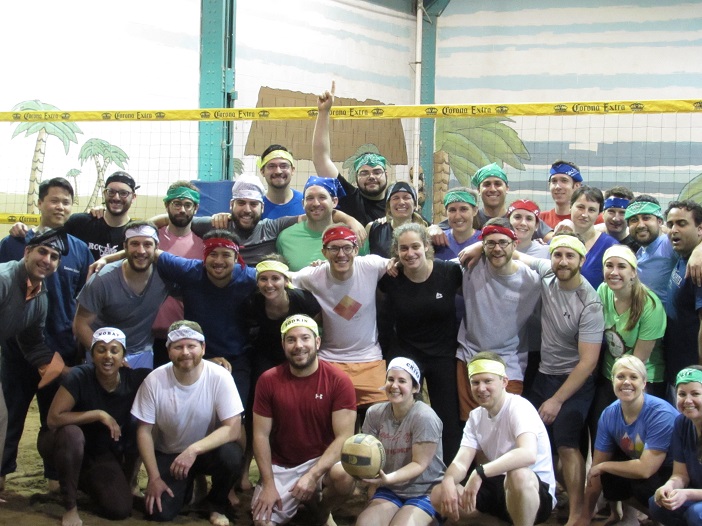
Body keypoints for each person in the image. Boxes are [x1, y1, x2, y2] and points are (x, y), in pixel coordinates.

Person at [0, 177, 93, 490]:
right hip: (12, 353)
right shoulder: (13, 244)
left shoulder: (78, 251)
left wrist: (74, 358)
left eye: (66, 201)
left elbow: (84, 302)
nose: (60, 206)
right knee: (8, 417)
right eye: (54, 200)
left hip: (56, 349)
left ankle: (55, 479)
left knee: (54, 418)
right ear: (40, 203)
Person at [511, 233, 605, 525]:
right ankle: (549, 499)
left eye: (570, 256)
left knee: (566, 443)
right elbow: (515, 254)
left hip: (574, 382)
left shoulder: (589, 303)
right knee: (535, 441)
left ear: (582, 260)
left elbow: (588, 362)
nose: (562, 262)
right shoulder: (547, 273)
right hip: (544, 375)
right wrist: (478, 246)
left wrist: (557, 399)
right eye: (558, 255)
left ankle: (578, 512)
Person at [132, 320, 244, 525]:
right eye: (178, 347)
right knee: (160, 513)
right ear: (168, 350)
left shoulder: (220, 377)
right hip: (170, 454)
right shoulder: (154, 380)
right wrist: (154, 477)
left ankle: (216, 504)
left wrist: (193, 450)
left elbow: (233, 428)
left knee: (232, 455)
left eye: (191, 346)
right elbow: (144, 431)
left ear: (203, 348)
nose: (185, 352)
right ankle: (191, 486)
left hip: (205, 452)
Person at [251, 315, 356, 526]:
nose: (299, 345)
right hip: (283, 466)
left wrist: (312, 475)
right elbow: (260, 435)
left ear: (317, 342)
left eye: (305, 338)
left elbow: (345, 436)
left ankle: (322, 512)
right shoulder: (268, 380)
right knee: (262, 522)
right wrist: (269, 484)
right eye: (291, 340)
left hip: (322, 462)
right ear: (283, 345)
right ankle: (301, 501)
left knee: (344, 475)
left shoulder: (339, 380)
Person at [39, 327, 149, 526]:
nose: (108, 356)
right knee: (72, 435)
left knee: (119, 509)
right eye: (101, 350)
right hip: (60, 442)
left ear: (124, 355)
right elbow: (53, 419)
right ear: (92, 354)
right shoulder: (80, 376)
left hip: (98, 453)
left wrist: (206, 362)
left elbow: (172, 370)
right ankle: (70, 506)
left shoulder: (134, 379)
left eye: (114, 350)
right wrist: (97, 414)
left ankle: (92, 481)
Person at [430, 352, 556, 526]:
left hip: (533, 488)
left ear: (504, 382)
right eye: (475, 382)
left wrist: (480, 472)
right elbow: (461, 462)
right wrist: (449, 480)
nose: (481, 388)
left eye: (488, 381)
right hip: (497, 484)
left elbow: (528, 454)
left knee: (517, 474)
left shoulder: (519, 407)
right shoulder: (475, 417)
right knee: (439, 494)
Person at [378, 223, 463, 463]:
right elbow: (383, 317)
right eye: (403, 249)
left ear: (426, 246)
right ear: (397, 252)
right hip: (406, 352)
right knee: (402, 412)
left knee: (447, 415)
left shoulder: (448, 272)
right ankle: (401, 468)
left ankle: (451, 474)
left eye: (415, 246)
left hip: (442, 353)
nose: (410, 253)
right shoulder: (392, 278)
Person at [0, 229, 69, 495]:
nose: (47, 260)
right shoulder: (5, 279)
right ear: (27, 252)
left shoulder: (39, 296)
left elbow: (31, 342)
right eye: (42, 251)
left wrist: (57, 368)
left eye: (54, 256)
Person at [292, 226, 388, 407]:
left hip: (369, 359)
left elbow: (402, 263)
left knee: (381, 418)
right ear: (324, 252)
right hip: (329, 359)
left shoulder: (370, 265)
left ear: (356, 250)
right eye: (334, 248)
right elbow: (281, 278)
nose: (341, 254)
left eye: (347, 248)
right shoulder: (313, 275)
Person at [456, 219, 541, 420]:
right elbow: (428, 266)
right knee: (472, 428)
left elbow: (553, 267)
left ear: (515, 244)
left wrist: (480, 243)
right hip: (470, 356)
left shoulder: (532, 280)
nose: (497, 249)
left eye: (503, 242)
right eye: (491, 243)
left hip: (509, 361)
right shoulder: (470, 266)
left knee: (505, 427)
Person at [576, 355, 677, 526]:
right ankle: (640, 517)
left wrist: (603, 466)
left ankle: (664, 518)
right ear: (612, 380)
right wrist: (584, 518)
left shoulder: (660, 413)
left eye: (633, 377)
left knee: (636, 481)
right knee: (606, 475)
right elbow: (596, 472)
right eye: (620, 377)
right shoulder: (609, 414)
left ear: (644, 383)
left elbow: (645, 469)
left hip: (673, 473)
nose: (626, 382)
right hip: (644, 468)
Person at [353, 357, 445, 526]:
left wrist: (387, 479)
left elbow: (419, 464)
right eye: (390, 379)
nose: (394, 386)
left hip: (425, 490)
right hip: (390, 489)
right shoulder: (374, 413)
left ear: (415, 387)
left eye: (402, 381)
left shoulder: (425, 416)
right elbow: (369, 454)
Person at [73, 221, 169, 369]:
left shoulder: (165, 276)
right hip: (104, 355)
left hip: (141, 353)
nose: (141, 250)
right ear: (125, 247)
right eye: (135, 244)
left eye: (147, 244)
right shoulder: (103, 279)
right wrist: (107, 355)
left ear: (157, 247)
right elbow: (80, 325)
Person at [593, 245, 667, 423]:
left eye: (621, 266)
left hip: (641, 378)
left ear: (633, 272)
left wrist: (622, 386)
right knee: (599, 426)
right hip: (611, 374)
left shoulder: (650, 306)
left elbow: (638, 361)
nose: (614, 272)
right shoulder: (603, 290)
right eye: (609, 266)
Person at [313, 82, 388, 225]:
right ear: (356, 177)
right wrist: (323, 112)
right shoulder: (350, 198)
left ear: (386, 174)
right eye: (364, 173)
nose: (371, 176)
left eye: (377, 171)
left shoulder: (397, 203)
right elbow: (321, 159)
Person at [151, 180, 204, 368]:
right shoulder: (151, 239)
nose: (182, 209)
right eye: (177, 203)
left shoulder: (203, 246)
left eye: (188, 205)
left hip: (183, 340)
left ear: (195, 208)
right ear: (167, 205)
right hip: (146, 337)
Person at [650, 366, 702, 525]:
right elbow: (681, 475)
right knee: (658, 504)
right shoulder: (681, 423)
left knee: (696, 513)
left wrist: (687, 495)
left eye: (695, 394)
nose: (687, 400)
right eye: (681, 394)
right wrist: (669, 486)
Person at [664, 200, 702, 391]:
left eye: (682, 223)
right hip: (676, 369)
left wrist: (699, 373)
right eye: (670, 224)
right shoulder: (684, 256)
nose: (673, 230)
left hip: (692, 376)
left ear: (700, 229)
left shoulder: (699, 267)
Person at [276, 175, 349, 271]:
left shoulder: (350, 237)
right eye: (310, 198)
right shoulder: (285, 238)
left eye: (322, 197)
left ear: (334, 202)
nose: (316, 203)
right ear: (303, 203)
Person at [471, 162, 552, 240]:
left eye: (498, 184)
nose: (492, 189)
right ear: (478, 190)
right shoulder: (472, 219)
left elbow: (553, 239)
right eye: (487, 184)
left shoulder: (520, 216)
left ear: (507, 188)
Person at [564, 185, 618, 288]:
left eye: (591, 210)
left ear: (599, 214)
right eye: (580, 207)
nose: (584, 214)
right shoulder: (557, 243)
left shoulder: (611, 247)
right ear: (570, 206)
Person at [367, 181, 428, 258]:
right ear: (388, 205)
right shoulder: (374, 229)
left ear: (415, 204)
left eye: (406, 197)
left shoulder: (426, 231)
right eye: (395, 198)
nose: (401, 202)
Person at [433, 188, 481, 261]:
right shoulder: (438, 240)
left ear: (475, 211)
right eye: (452, 210)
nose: (457, 216)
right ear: (446, 213)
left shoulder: (484, 240)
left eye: (463, 209)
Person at [258, 145, 304, 219]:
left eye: (284, 166)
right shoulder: (255, 206)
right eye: (271, 166)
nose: (278, 171)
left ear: (292, 170)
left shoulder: (306, 204)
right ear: (262, 171)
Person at [540, 160, 583, 228]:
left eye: (564, 181)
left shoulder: (589, 220)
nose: (558, 187)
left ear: (577, 186)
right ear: (549, 185)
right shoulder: (540, 220)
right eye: (554, 181)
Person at [596, 186, 638, 251]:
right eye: (611, 211)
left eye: (622, 213)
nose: (616, 218)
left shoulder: (637, 246)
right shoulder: (593, 241)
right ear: (603, 214)